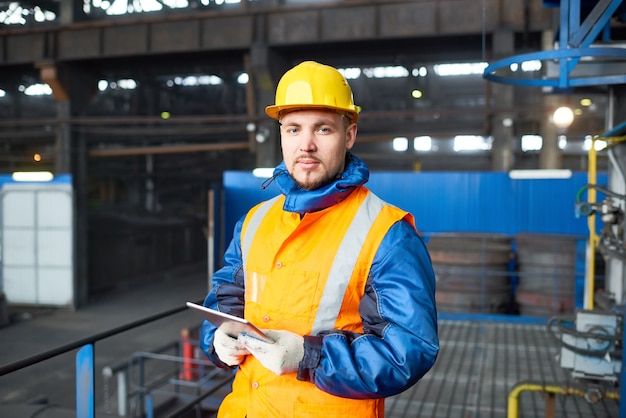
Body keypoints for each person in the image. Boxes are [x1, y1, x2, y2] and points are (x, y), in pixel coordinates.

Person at [199, 60, 439, 418]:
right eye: (293, 129)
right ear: (281, 134)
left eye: (323, 129)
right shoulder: (255, 221)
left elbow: (407, 350)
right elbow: (226, 298)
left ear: (350, 134)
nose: (306, 145)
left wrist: (309, 357)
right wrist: (218, 338)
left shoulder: (387, 233)